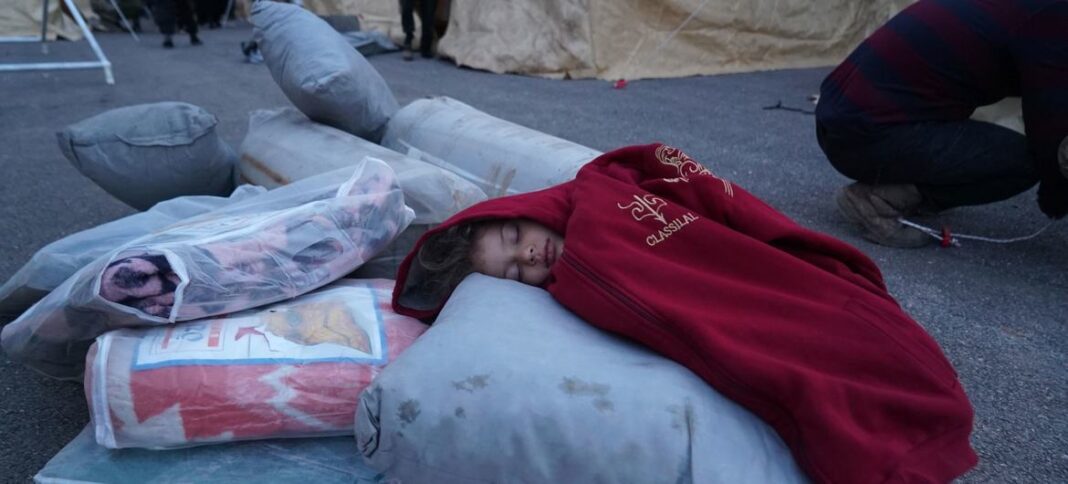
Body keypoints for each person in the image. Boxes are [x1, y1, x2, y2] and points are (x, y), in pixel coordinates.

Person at [392, 143, 977, 484]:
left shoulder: (605, 187)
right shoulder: (567, 293)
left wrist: (804, 255)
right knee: (801, 374)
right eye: (515, 271)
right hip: (736, 324)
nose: (528, 254)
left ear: (519, 210)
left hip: (765, 281)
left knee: (840, 326)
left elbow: (722, 202)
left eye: (516, 234)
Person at [815, 0, 1068, 247]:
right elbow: (1047, 119)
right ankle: (877, 202)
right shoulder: (1053, 17)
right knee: (1023, 162)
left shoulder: (1032, 8)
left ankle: (909, 185)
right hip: (863, 135)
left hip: (842, 118)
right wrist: (1056, 195)